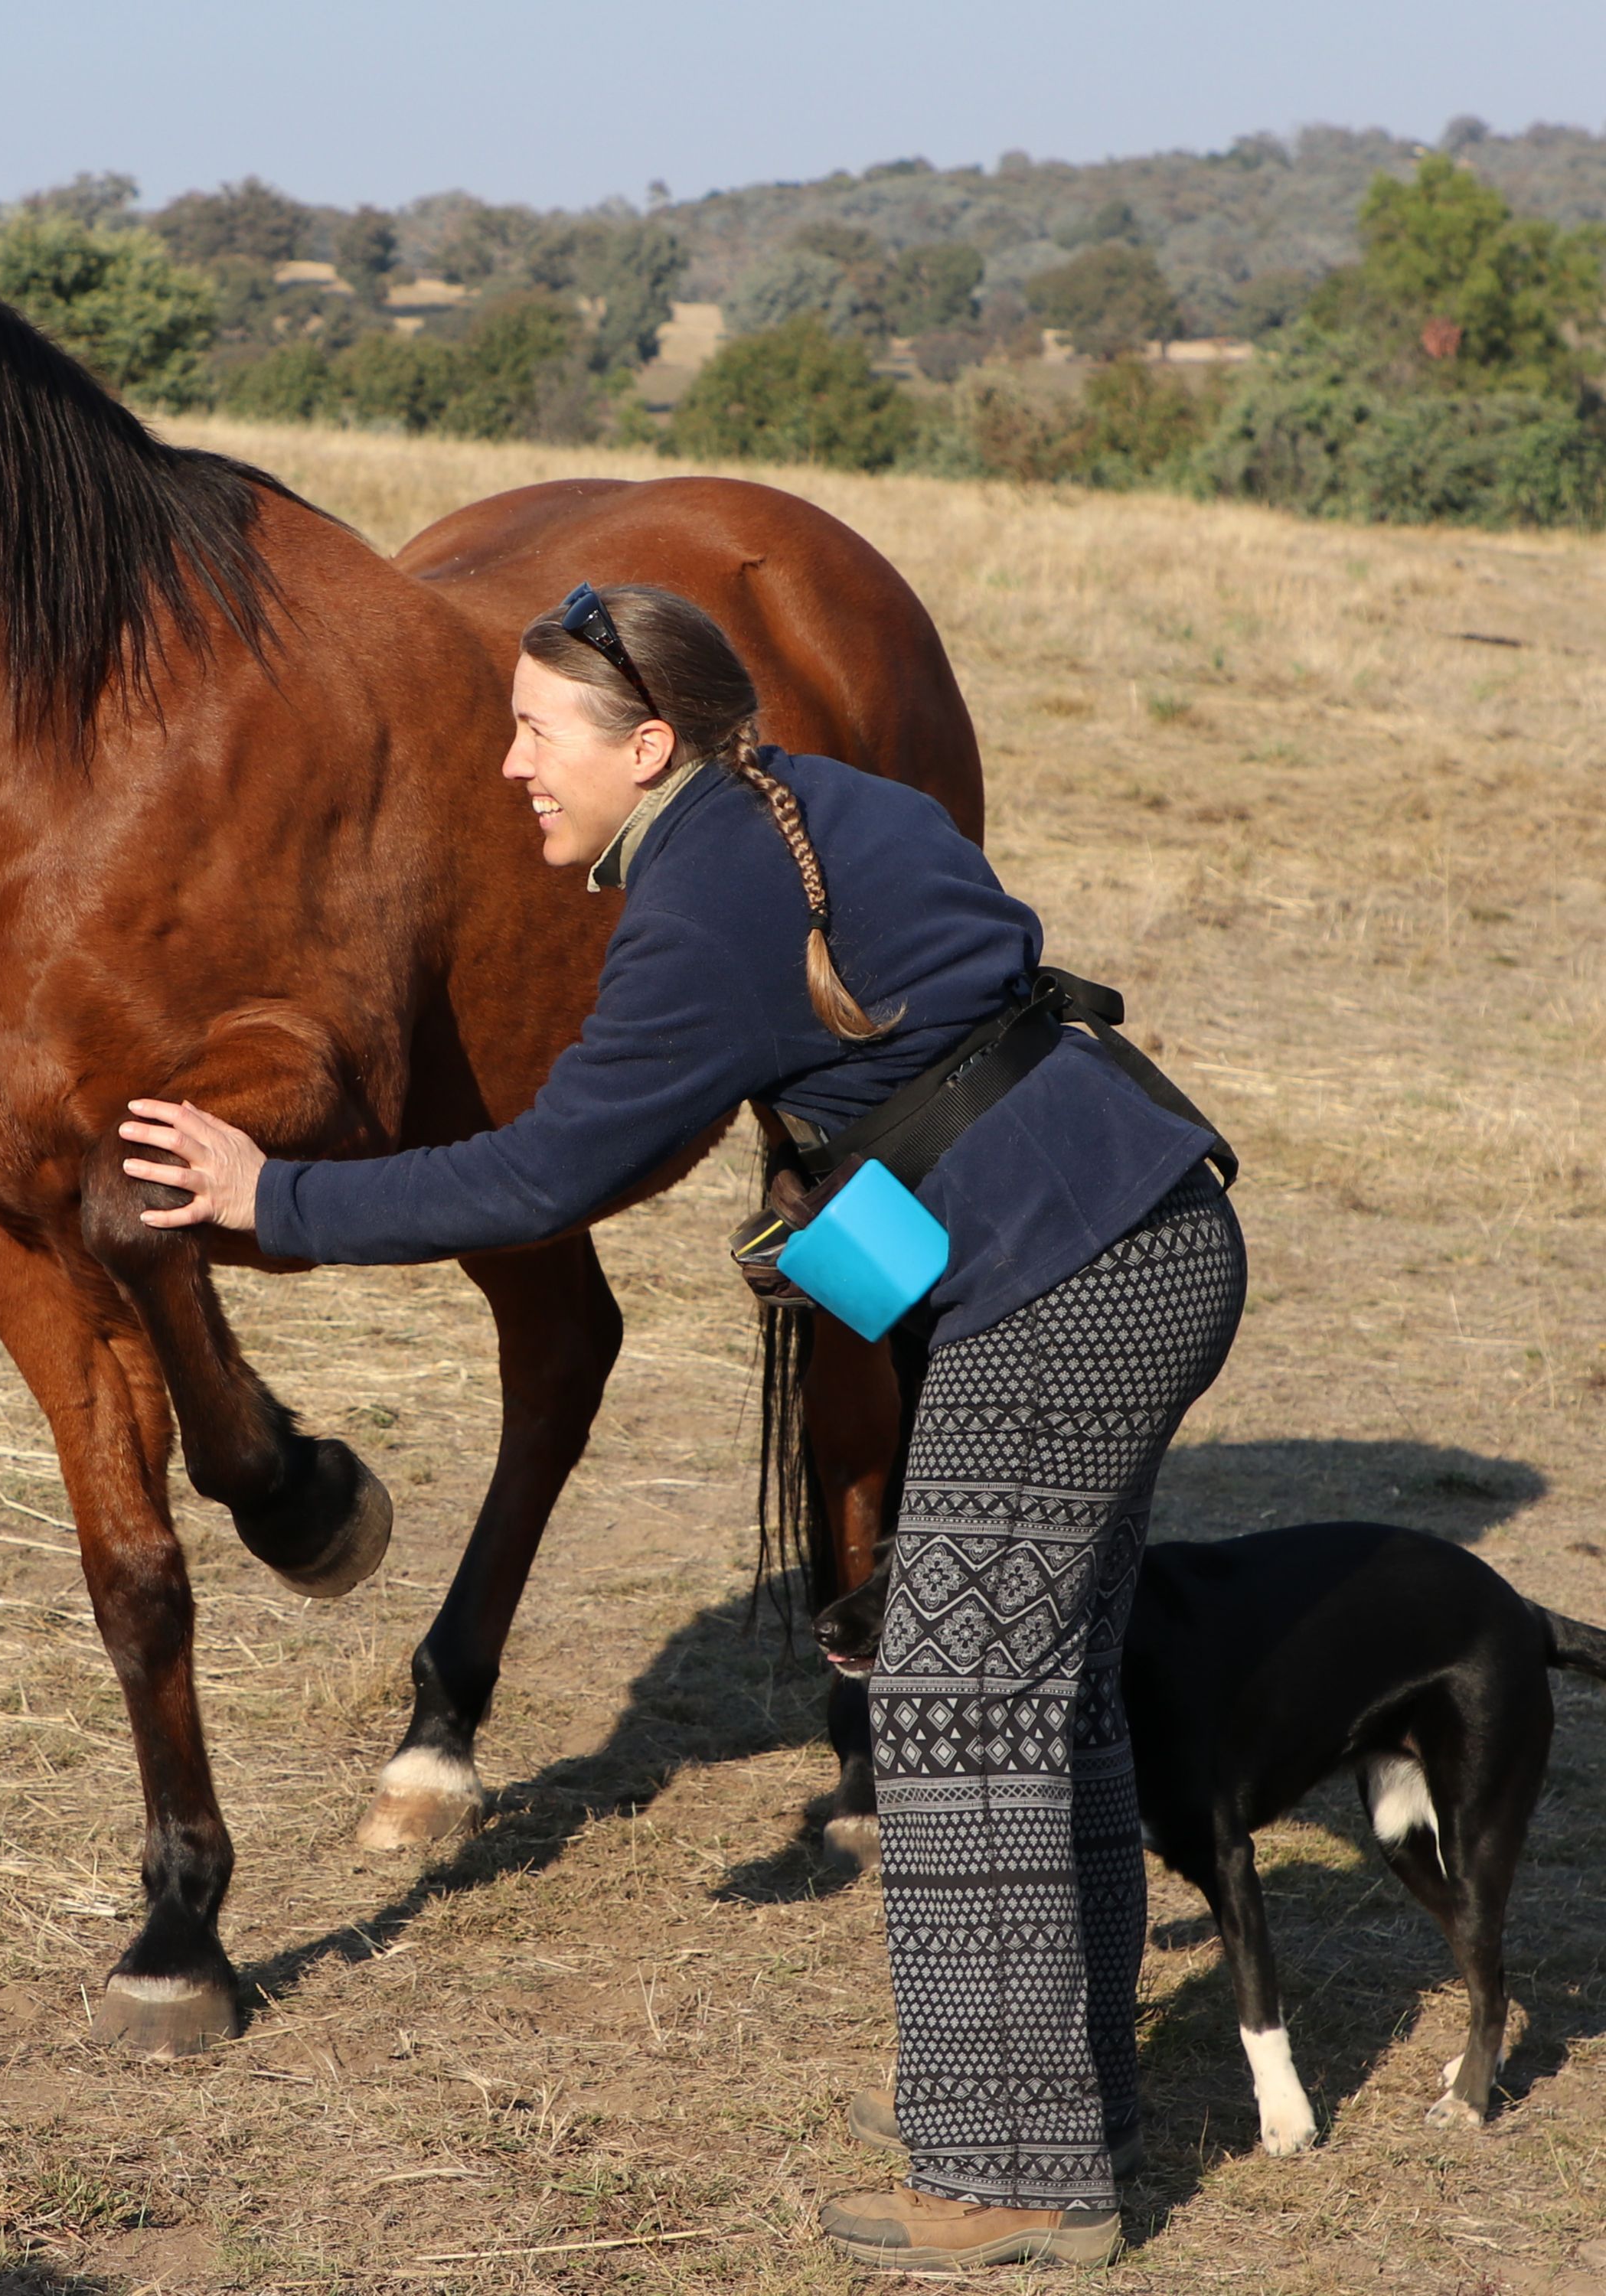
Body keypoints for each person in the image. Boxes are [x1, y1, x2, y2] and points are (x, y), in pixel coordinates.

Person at [119, 583, 1244, 2274]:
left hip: (1073, 1284)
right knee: (1037, 1696)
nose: (509, 767)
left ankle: (1018, 2174)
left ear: (648, 747)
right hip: (1142, 1228)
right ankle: (1051, 2107)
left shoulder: (707, 901)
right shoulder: (810, 803)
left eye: (534, 733)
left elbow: (547, 1174)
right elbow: (983, 946)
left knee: (953, 1703)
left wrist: (275, 1198)